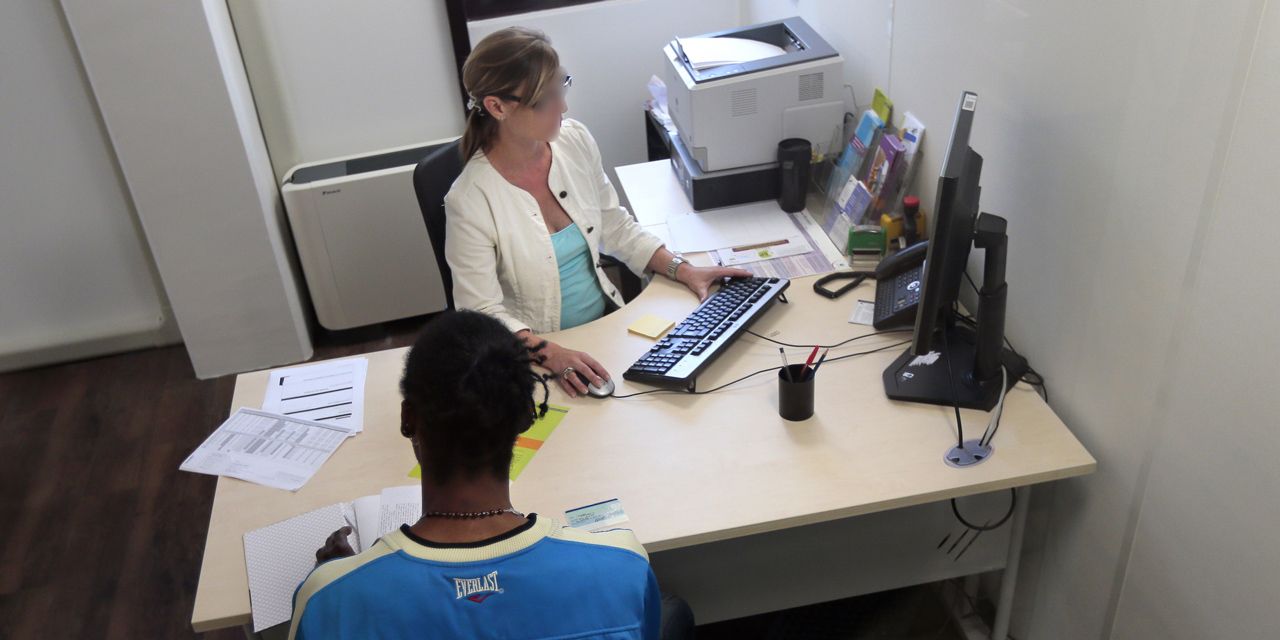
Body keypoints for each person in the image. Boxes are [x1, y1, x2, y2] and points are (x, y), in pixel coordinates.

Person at [288, 310, 665, 639]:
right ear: (525, 418)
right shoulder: (623, 565)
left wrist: (339, 576)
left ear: (408, 419)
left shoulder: (327, 598)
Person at [444, 27, 749, 398]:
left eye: (562, 86)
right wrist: (552, 354)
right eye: (545, 98)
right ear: (497, 107)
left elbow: (614, 226)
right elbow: (481, 311)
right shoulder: (470, 200)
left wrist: (683, 269)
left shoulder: (574, 140)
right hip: (538, 357)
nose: (563, 107)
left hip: (605, 329)